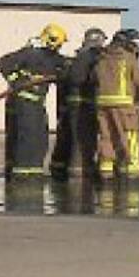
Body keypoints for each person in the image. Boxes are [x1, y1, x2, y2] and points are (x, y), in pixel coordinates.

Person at [0, 24, 69, 179]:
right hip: (25, 103)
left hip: (34, 104)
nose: (60, 47)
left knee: (39, 136)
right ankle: (25, 175)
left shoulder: (51, 58)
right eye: (59, 44)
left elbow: (67, 66)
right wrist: (18, 80)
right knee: (30, 137)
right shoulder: (30, 53)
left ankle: (28, 172)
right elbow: (3, 63)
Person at [93, 28, 139, 181]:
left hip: (102, 105)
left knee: (107, 137)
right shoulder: (127, 58)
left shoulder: (102, 57)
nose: (137, 48)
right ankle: (132, 173)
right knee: (131, 136)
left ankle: (106, 172)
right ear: (127, 43)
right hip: (123, 105)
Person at [50, 27, 107, 180]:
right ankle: (81, 174)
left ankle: (59, 172)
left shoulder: (75, 58)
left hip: (70, 107)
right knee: (83, 141)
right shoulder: (92, 57)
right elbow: (88, 79)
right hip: (84, 106)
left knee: (67, 139)